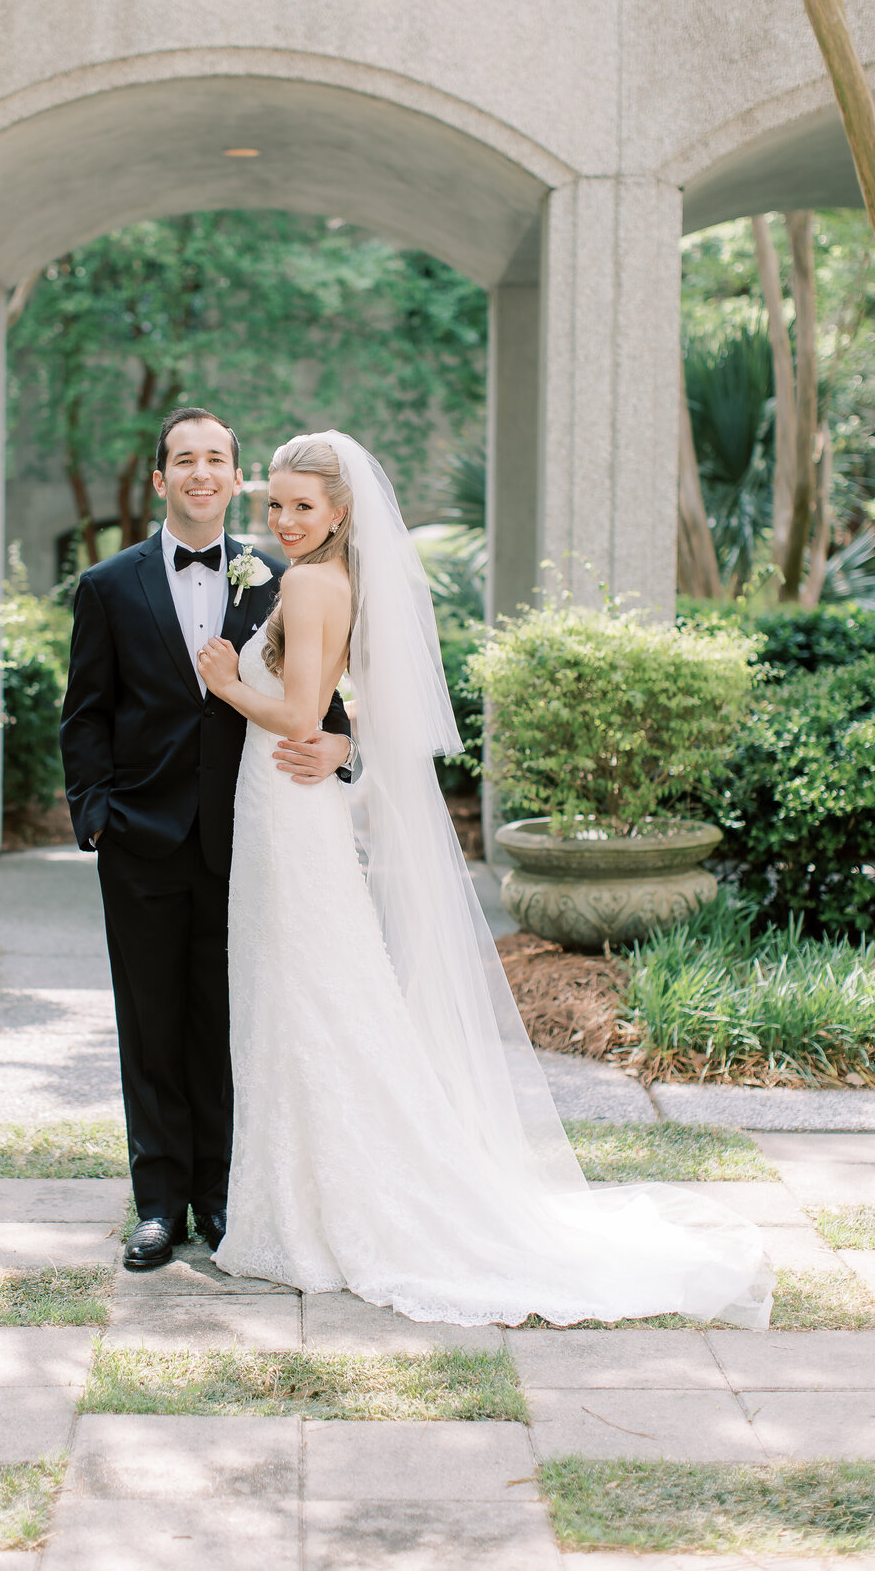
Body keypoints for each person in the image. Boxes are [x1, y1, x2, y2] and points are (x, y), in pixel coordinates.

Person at [195, 431, 773, 1329]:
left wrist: (228, 684)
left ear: (342, 512)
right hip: (291, 802)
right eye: (273, 505)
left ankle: (316, 1214)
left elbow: (301, 712)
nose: (284, 521)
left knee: (303, 992)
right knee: (311, 991)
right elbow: (349, 709)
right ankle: (303, 1204)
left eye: (303, 506)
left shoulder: (309, 582)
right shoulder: (333, 580)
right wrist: (336, 734)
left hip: (287, 803)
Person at [60, 408, 353, 1271]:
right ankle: (157, 1203)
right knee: (149, 1024)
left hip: (250, 837)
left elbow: (325, 692)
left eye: (215, 460)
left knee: (229, 1024)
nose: (199, 473)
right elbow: (85, 715)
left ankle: (224, 1198)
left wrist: (344, 748)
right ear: (160, 482)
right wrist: (96, 817)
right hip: (140, 839)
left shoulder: (281, 577)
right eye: (182, 460)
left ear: (236, 479)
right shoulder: (109, 587)